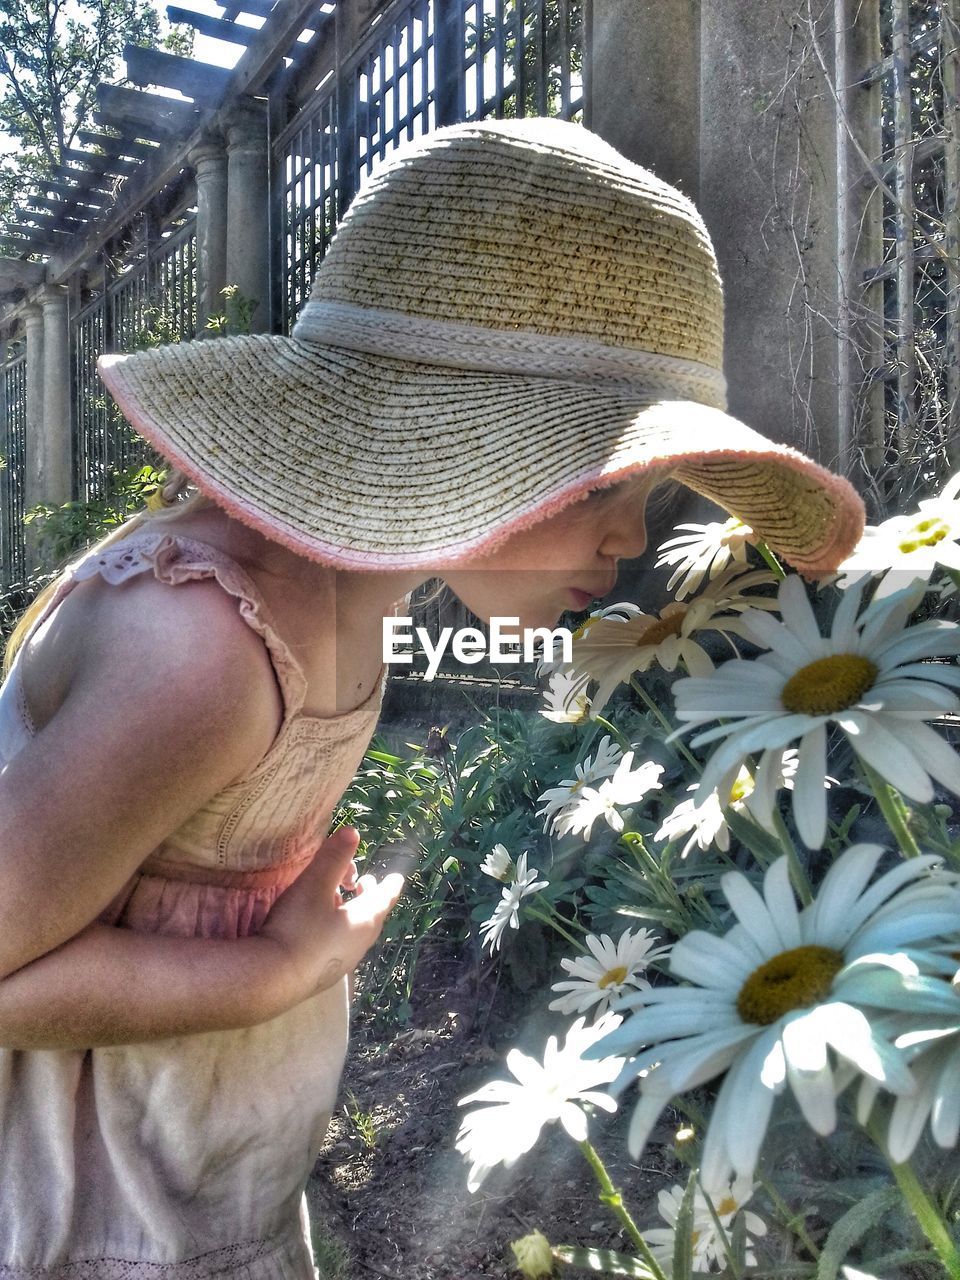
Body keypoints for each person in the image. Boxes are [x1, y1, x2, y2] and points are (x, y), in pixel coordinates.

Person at [0, 117, 864, 1276]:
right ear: (447, 440)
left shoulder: (342, 598)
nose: (629, 540)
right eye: (599, 480)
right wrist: (274, 972)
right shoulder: (203, 651)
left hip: (188, 1171)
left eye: (649, 491)